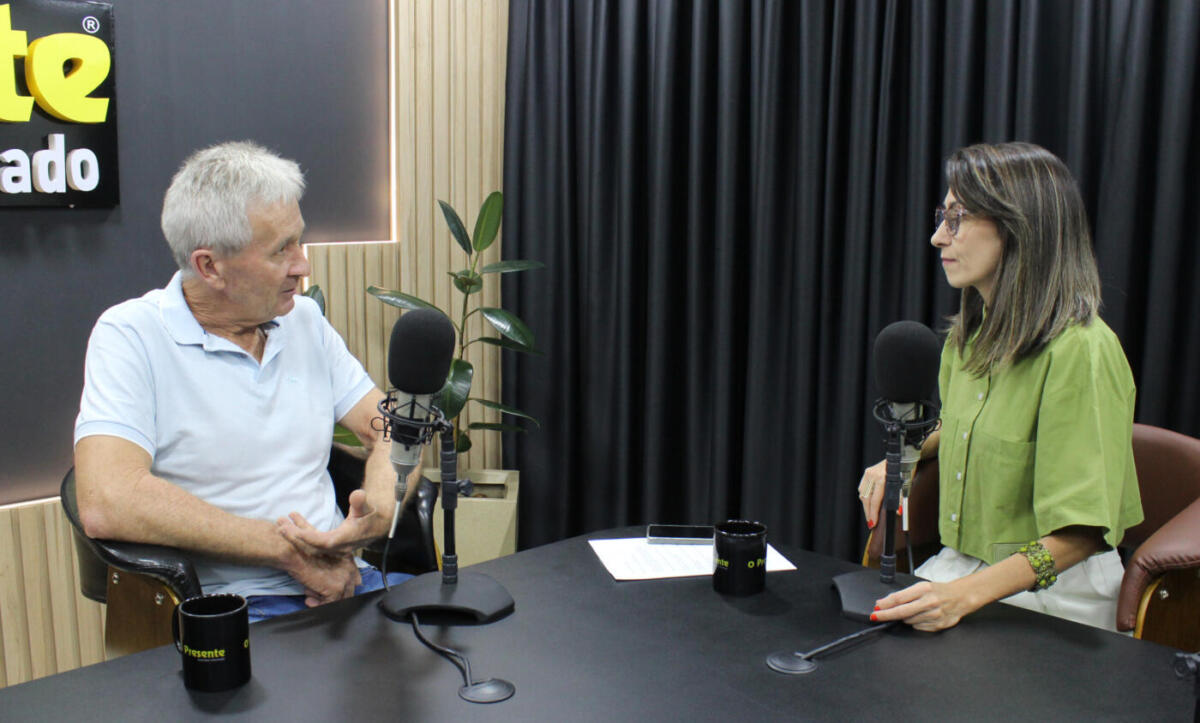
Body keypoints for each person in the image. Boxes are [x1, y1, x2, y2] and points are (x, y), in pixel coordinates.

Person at [74, 141, 416, 623]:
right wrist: (289, 553)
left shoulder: (304, 320)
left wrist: (377, 512)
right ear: (209, 266)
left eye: (299, 240)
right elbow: (108, 500)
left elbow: (394, 428)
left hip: (350, 580)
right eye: (282, 250)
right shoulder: (131, 335)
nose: (303, 265)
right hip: (231, 610)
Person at [858, 142, 1143, 632]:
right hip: (966, 567)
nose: (937, 238)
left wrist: (962, 596)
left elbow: (1081, 536)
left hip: (1059, 594)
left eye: (957, 219)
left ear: (1019, 227)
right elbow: (965, 425)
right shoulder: (968, 340)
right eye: (942, 217)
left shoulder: (1083, 352)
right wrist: (902, 453)